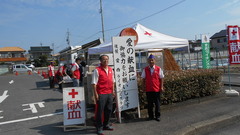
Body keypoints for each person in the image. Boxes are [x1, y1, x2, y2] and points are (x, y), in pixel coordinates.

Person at [92, 55, 115, 135]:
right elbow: (94, 84)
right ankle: (99, 127)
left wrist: (113, 91)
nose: (106, 61)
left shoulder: (111, 70)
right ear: (100, 61)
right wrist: (96, 95)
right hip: (101, 93)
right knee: (100, 111)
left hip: (109, 93)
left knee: (109, 110)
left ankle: (106, 124)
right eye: (104, 60)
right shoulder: (97, 70)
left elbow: (113, 81)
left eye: (107, 59)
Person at [141, 54, 164, 122]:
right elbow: (143, 79)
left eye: (152, 60)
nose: (151, 61)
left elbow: (161, 78)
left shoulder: (158, 68)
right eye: (150, 60)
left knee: (157, 104)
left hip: (156, 89)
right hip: (148, 89)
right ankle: (150, 116)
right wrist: (143, 87)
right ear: (148, 61)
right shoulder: (145, 69)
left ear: (155, 61)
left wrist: (161, 87)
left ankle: (157, 116)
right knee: (150, 104)